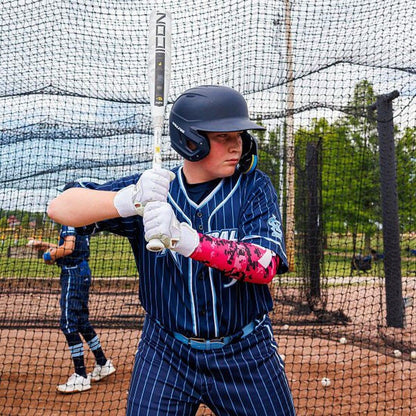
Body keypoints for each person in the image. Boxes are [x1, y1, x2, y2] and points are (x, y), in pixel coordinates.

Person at [47, 85, 296, 414]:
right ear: (190, 141)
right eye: (223, 137)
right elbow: (61, 207)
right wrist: (129, 200)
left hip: (246, 350)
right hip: (166, 351)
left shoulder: (254, 187)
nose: (236, 145)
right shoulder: (152, 190)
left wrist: (185, 239)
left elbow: (264, 266)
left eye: (239, 135)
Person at [27, 217, 115, 393]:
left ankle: (81, 376)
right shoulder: (83, 219)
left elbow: (68, 248)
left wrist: (48, 255)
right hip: (81, 271)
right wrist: (44, 244)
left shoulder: (69, 218)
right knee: (82, 322)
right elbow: (72, 246)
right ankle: (103, 362)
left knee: (68, 323)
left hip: (73, 274)